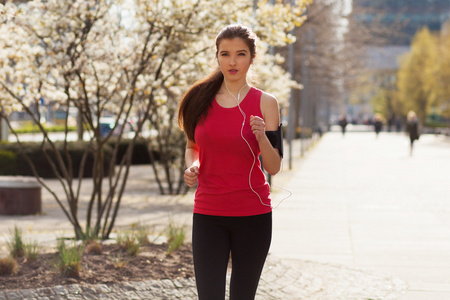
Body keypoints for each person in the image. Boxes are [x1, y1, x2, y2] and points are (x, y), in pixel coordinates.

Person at [177, 24, 283, 300]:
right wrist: (193, 166)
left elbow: (274, 166)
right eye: (225, 54)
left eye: (240, 54)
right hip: (209, 213)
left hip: (253, 215)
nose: (232, 62)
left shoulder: (266, 103)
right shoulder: (198, 99)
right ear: (217, 57)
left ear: (252, 57)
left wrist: (261, 138)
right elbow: (192, 147)